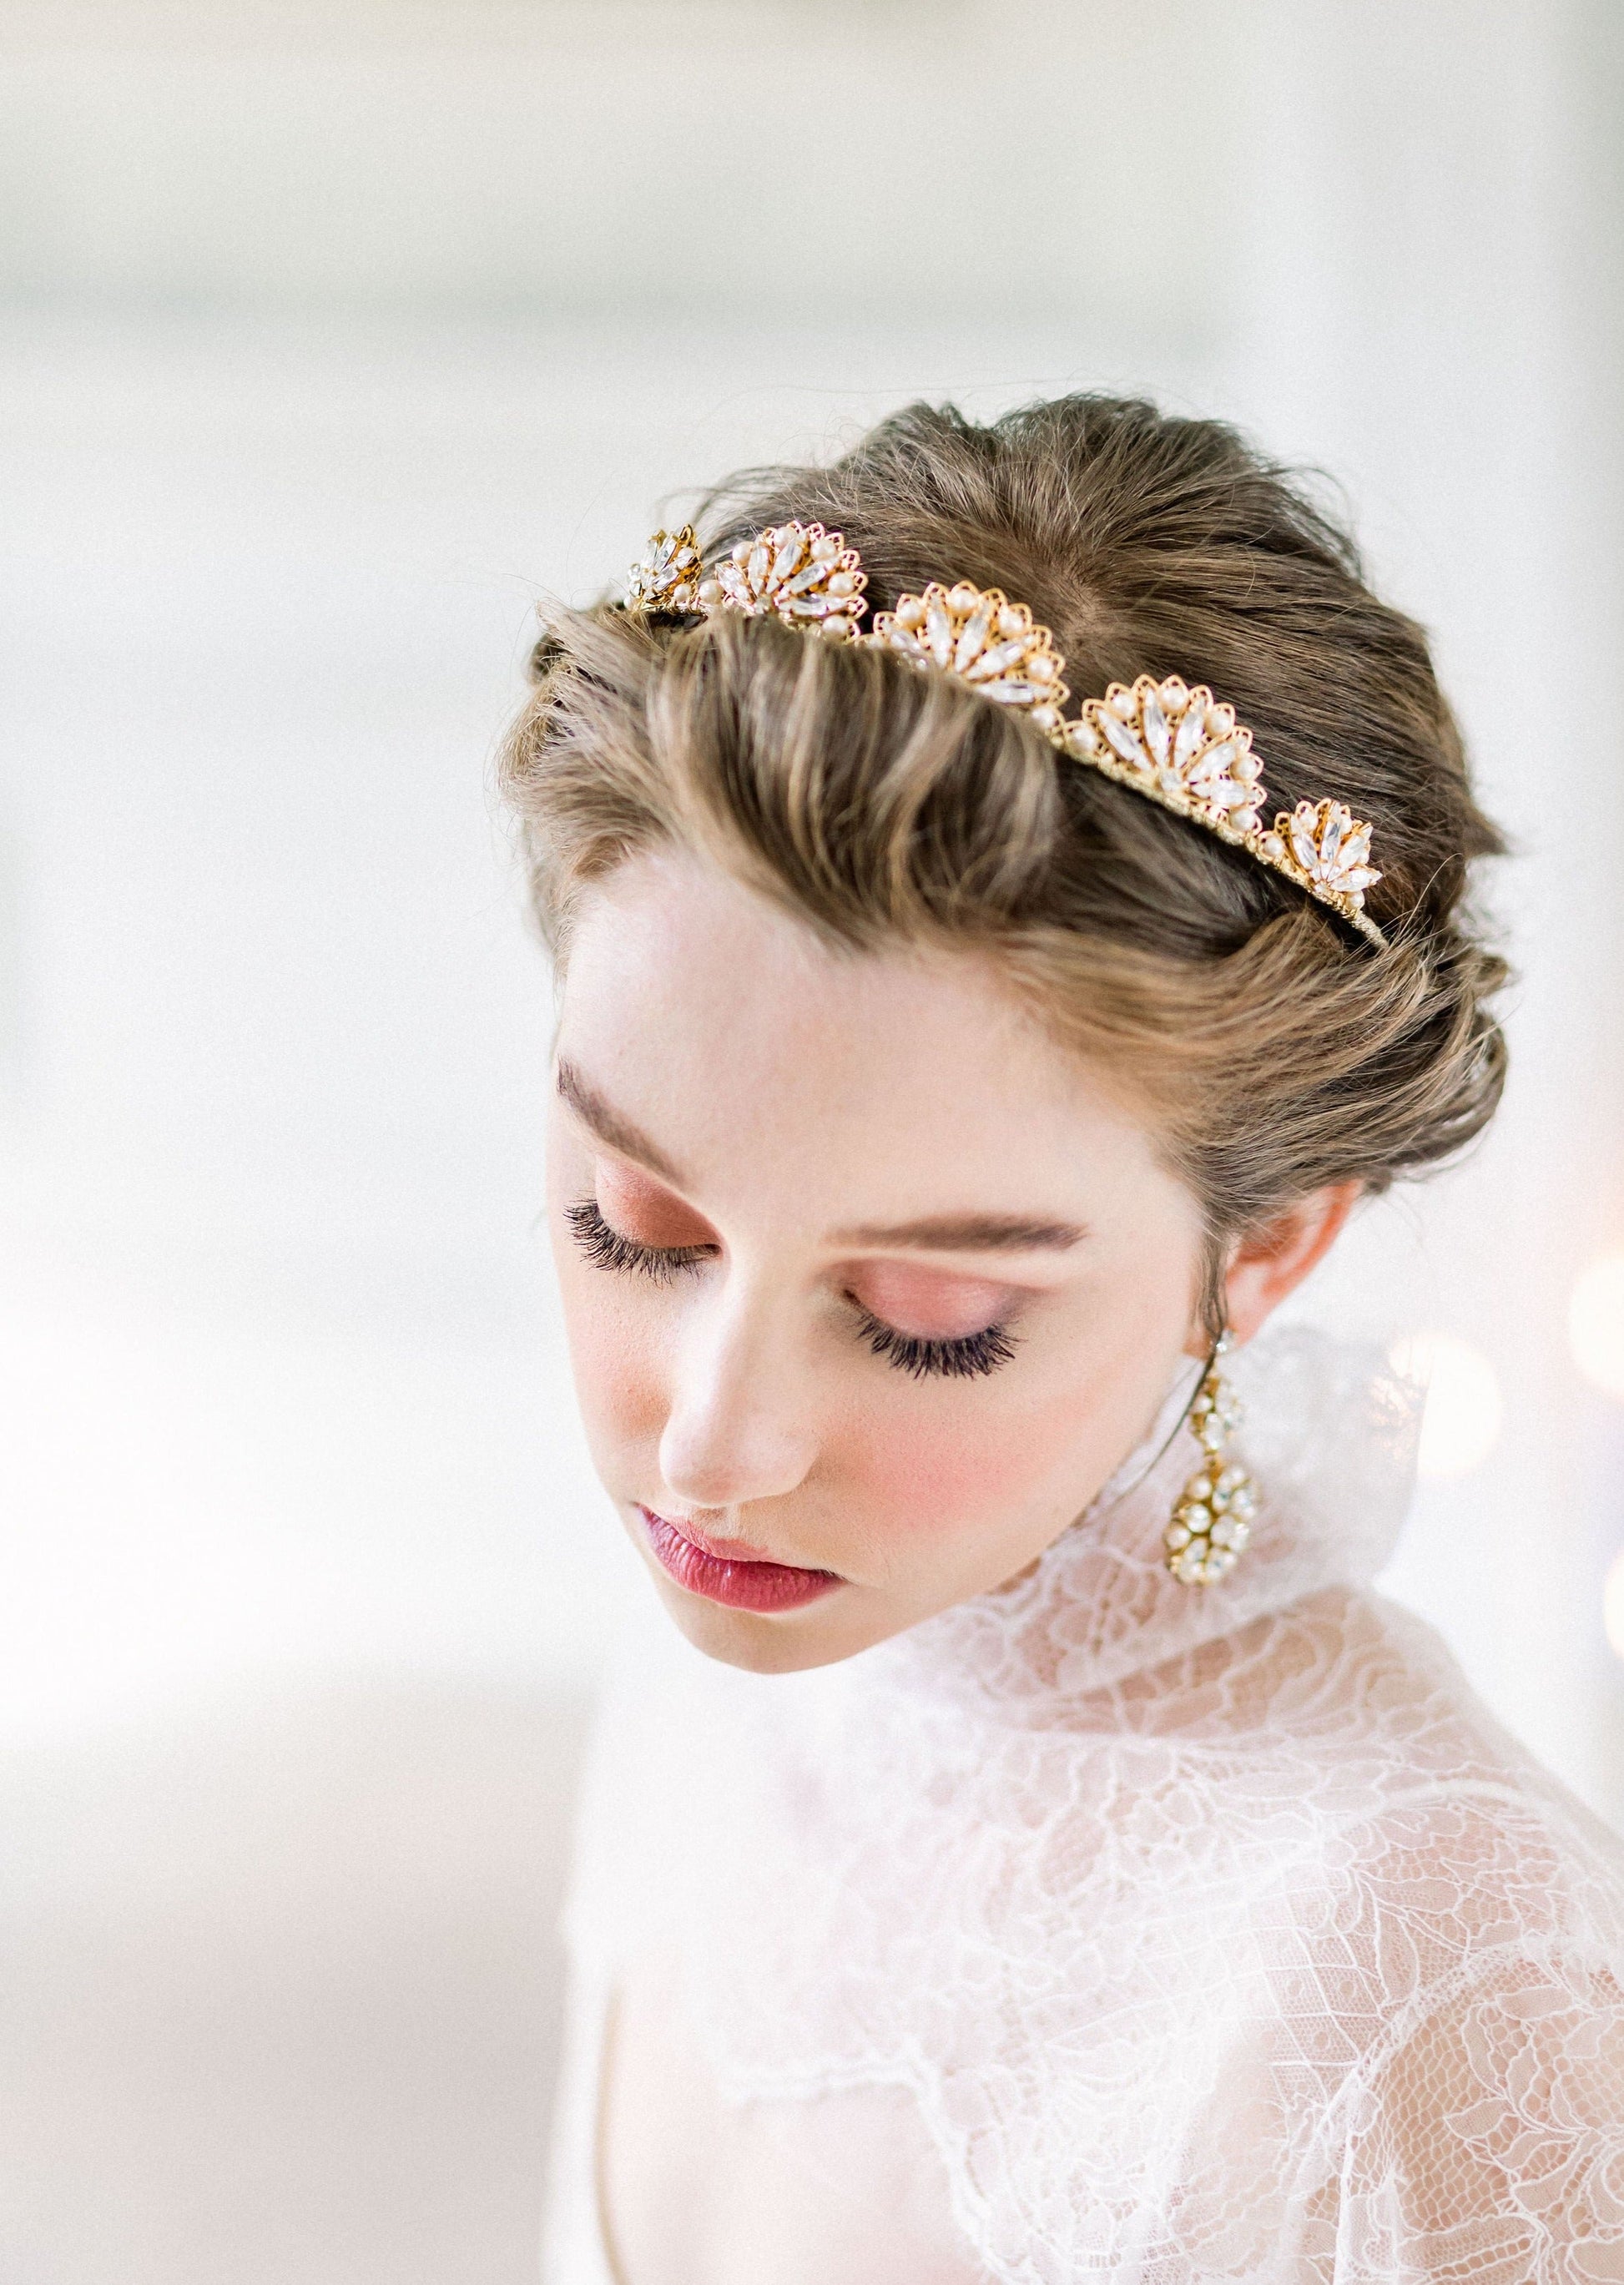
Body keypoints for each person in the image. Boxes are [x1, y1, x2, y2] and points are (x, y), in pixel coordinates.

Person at [501, 396, 1624, 2284]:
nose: (706, 1447)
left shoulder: (1430, 1967)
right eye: (641, 1225)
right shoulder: (726, 1662)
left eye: (934, 1318)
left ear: (1259, 1250)